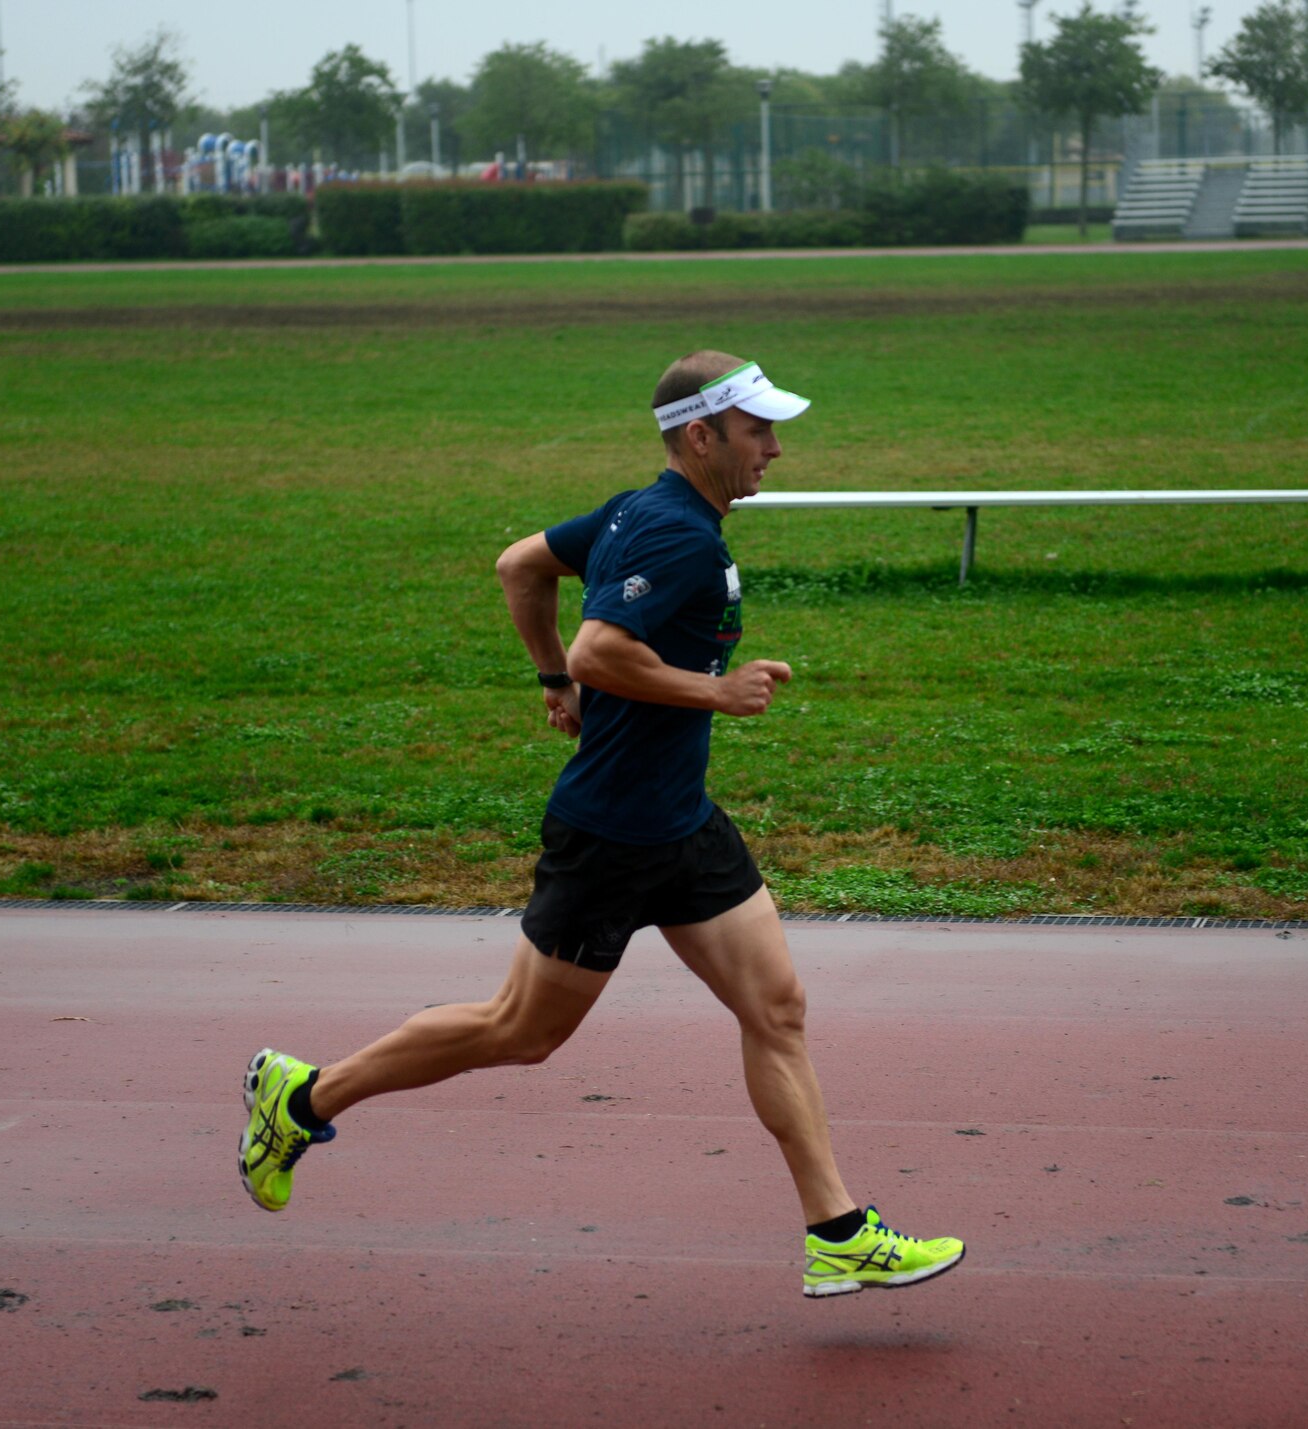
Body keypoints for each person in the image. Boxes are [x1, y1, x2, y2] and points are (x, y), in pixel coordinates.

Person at [239, 351, 964, 1298]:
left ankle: (838, 1233)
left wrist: (550, 681)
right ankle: (300, 1097)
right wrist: (707, 689)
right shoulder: (677, 538)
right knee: (520, 1031)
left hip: (682, 823)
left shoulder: (639, 508)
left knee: (776, 1008)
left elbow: (520, 566)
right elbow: (600, 646)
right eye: (758, 433)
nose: (776, 450)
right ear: (700, 436)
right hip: (612, 838)